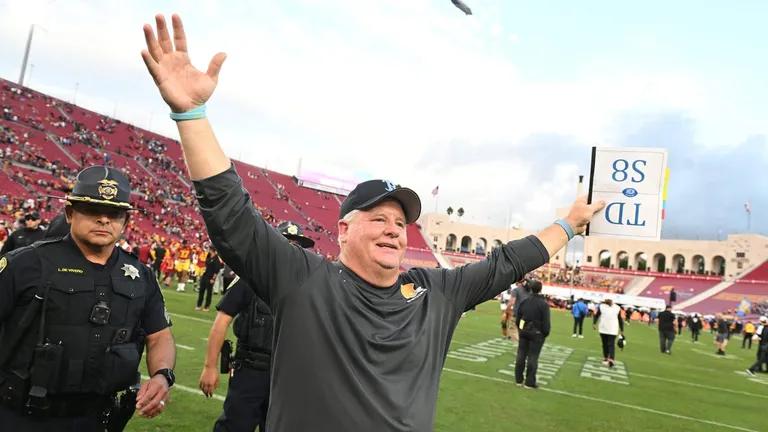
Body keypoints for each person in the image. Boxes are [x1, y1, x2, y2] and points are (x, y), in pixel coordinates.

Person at [140, 14, 604, 430]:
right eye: (379, 218)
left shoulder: (436, 294)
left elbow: (507, 263)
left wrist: (568, 224)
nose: (394, 229)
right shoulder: (303, 280)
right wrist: (191, 114)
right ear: (343, 230)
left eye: (401, 222)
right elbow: (232, 219)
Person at [0, 165, 176, 431]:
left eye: (115, 213)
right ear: (70, 213)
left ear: (125, 221)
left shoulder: (141, 275)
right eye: (93, 210)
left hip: (99, 420)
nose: (104, 220)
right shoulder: (26, 264)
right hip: (22, 416)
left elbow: (159, 335)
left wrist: (162, 375)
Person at [199, 221, 315, 432]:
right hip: (250, 371)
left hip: (285, 377)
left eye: (297, 245)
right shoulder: (250, 278)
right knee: (235, 426)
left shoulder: (306, 287)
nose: (292, 248)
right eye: (286, 242)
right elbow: (222, 321)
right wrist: (209, 367)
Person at [513, 280, 550, 389]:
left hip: (524, 331)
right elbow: (546, 322)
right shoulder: (543, 304)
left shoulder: (525, 301)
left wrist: (520, 329)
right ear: (540, 289)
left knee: (521, 355)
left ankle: (518, 379)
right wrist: (544, 333)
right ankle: (529, 382)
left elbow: (518, 317)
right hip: (537, 333)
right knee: (533, 357)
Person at [593, 298, 623, 367]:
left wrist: (622, 330)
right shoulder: (602, 306)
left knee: (609, 344)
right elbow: (597, 315)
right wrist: (594, 323)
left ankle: (609, 359)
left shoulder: (616, 308)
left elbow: (620, 319)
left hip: (610, 329)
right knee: (607, 344)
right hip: (606, 329)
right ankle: (608, 358)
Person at [196, 246, 222, 311]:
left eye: (210, 249)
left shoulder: (216, 259)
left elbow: (216, 270)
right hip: (205, 275)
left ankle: (206, 306)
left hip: (210, 277)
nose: (208, 250)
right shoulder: (208, 256)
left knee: (209, 293)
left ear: (212, 250)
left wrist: (213, 279)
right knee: (201, 291)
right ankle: (199, 305)